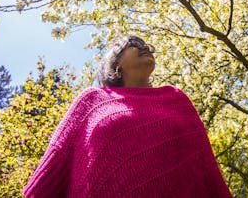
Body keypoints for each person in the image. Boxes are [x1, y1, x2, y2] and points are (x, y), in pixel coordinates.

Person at [23, 35, 232, 198]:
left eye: (146, 44)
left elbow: (206, 168)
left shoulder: (176, 98)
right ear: (115, 65)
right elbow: (53, 169)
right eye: (133, 43)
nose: (145, 47)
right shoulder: (92, 101)